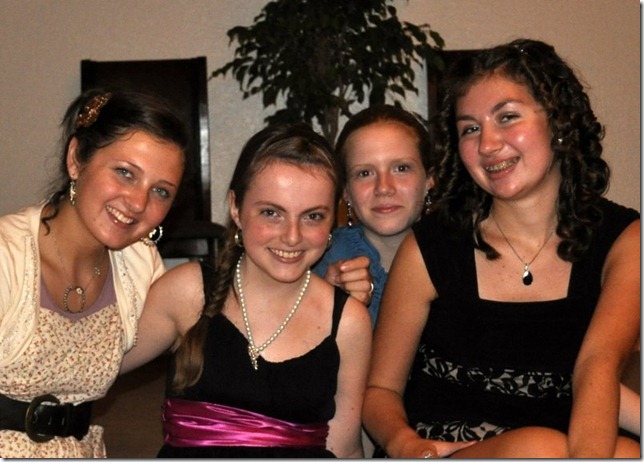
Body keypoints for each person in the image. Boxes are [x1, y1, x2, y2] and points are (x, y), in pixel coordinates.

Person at [362, 38, 640, 458]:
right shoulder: (430, 247)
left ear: (559, 121)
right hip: (446, 448)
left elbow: (598, 366)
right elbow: (380, 389)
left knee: (621, 452)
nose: (488, 144)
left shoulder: (624, 238)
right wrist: (406, 445)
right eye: (470, 129)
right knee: (539, 447)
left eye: (507, 117)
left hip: (569, 446)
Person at [120, 123, 372, 458]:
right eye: (271, 213)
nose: (292, 236)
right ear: (236, 208)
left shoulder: (348, 321)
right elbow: (90, 372)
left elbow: (344, 447)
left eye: (312, 216)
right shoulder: (188, 291)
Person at [0, 89, 188, 457]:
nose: (138, 203)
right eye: (125, 173)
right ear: (76, 159)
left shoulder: (140, 265)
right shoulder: (7, 255)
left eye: (161, 191)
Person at [314, 104, 434, 327]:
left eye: (401, 168)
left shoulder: (463, 256)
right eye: (365, 173)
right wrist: (323, 305)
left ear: (429, 179)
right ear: (346, 191)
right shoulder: (317, 261)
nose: (384, 188)